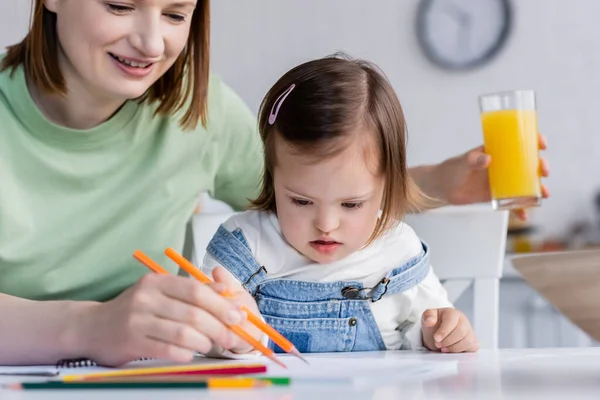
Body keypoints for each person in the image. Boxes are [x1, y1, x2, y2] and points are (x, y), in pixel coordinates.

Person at [0, 0, 548, 366]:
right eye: (119, 3)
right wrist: (90, 328)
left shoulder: (197, 106)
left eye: (175, 12)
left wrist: (440, 183)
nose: (150, 42)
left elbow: (312, 192)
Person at [201, 55, 479, 355]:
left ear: (387, 184)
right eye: (301, 200)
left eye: (351, 204)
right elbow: (204, 340)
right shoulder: (244, 246)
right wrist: (237, 335)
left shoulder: (399, 249)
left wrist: (443, 333)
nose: (326, 224)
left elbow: (427, 333)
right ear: (272, 175)